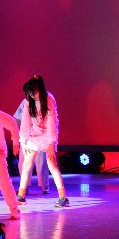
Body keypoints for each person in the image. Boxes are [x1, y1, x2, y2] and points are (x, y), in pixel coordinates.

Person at [16, 74, 69, 208]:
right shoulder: (28, 101)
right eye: (29, 93)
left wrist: (51, 143)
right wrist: (23, 141)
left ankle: (63, 197)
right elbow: (25, 121)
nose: (32, 95)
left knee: (52, 166)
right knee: (26, 165)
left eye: (34, 92)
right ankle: (21, 196)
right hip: (34, 136)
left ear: (40, 89)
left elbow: (52, 123)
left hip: (47, 136)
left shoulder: (49, 99)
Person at [13, 85, 50, 194]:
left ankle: (45, 186)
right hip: (27, 137)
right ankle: (24, 187)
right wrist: (18, 135)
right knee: (24, 164)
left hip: (41, 137)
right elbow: (17, 119)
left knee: (42, 163)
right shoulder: (26, 102)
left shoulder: (46, 101)